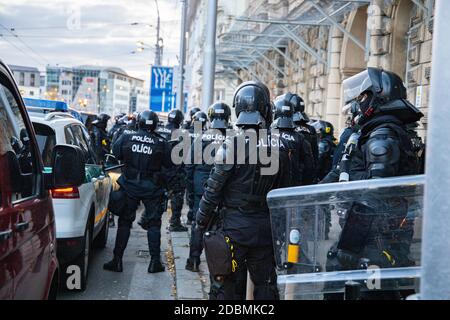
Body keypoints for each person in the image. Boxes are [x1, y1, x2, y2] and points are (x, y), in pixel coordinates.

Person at [324, 68, 423, 299]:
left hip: (375, 240)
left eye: (362, 97)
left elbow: (374, 196)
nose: (358, 104)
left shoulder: (382, 137)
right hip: (375, 236)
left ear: (379, 96)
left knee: (369, 293)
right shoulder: (376, 133)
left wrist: (349, 245)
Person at [196, 81, 287, 300]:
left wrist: (201, 220)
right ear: (266, 109)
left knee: (224, 283)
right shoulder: (279, 147)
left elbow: (213, 189)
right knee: (266, 286)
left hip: (234, 228)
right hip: (264, 229)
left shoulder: (231, 145)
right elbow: (284, 194)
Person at [103, 110, 172, 273]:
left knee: (125, 222)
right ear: (155, 125)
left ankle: (117, 260)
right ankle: (155, 262)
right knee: (154, 225)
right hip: (152, 189)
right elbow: (169, 164)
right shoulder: (161, 142)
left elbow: (116, 153)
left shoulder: (127, 137)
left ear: (139, 123)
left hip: (129, 186)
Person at [185, 104, 229, 273]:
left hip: (201, 188)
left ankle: (194, 260)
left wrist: (190, 190)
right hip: (224, 190)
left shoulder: (201, 138)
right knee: (222, 226)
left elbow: (189, 167)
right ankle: (219, 265)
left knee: (199, 223)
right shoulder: (234, 139)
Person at [272, 96, 314, 187]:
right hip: (294, 189)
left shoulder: (267, 136)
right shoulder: (301, 138)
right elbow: (309, 167)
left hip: (272, 189)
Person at [157, 109, 189, 232]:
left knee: (157, 196)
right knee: (177, 195)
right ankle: (174, 223)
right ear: (180, 120)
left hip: (159, 169)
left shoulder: (159, 129)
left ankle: (147, 218)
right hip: (173, 170)